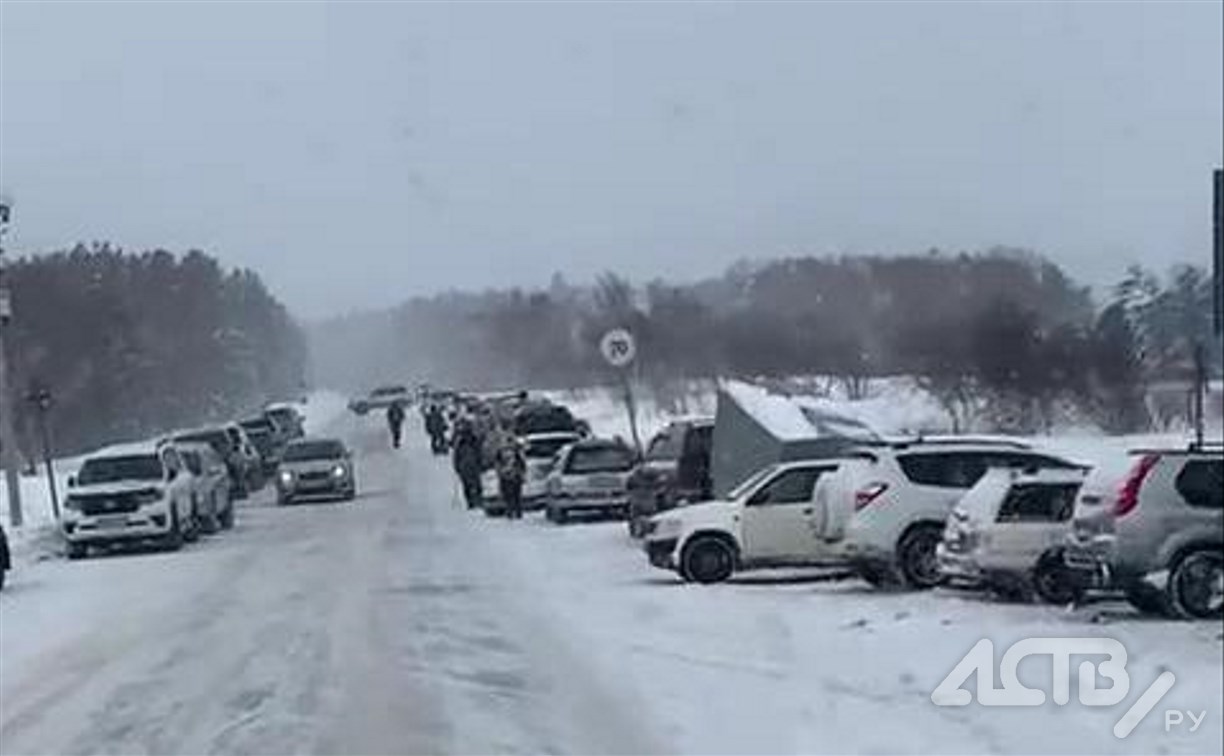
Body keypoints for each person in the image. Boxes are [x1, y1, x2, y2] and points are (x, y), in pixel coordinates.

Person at [451, 420, 484, 510]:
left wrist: (457, 467)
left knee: (472, 485)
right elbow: (457, 456)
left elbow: (479, 453)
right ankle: (474, 501)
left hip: (469, 466)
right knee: (472, 485)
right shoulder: (464, 442)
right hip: (468, 466)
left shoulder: (472, 441)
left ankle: (474, 501)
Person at [495, 436, 527, 519]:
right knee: (513, 494)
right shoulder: (512, 451)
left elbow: (521, 463)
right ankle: (514, 511)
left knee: (513, 494)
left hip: (511, 475)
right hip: (510, 475)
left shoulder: (514, 451)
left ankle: (513, 511)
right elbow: (522, 463)